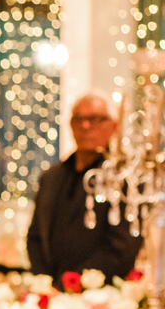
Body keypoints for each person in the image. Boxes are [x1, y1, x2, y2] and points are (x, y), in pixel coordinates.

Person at [27, 93, 142, 282]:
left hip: (100, 290)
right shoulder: (52, 176)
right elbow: (36, 235)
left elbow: (122, 247)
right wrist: (44, 282)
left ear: (113, 126)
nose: (86, 126)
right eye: (79, 119)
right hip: (50, 289)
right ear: (71, 125)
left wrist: (75, 282)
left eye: (95, 119)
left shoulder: (123, 177)